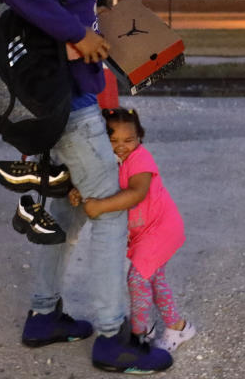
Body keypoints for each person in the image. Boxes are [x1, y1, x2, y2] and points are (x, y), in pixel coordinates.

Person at [0, 0, 171, 373]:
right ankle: (113, 337)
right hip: (70, 110)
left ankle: (43, 314)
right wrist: (78, 32)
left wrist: (93, 33)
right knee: (111, 212)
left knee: (68, 214)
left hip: (61, 104)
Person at [69, 108, 196, 353]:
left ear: (140, 138)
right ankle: (178, 327)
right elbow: (99, 182)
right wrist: (79, 190)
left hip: (160, 229)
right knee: (154, 279)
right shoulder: (111, 161)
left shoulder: (141, 159)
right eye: (113, 140)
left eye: (129, 140)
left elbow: (137, 192)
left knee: (137, 280)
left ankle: (139, 335)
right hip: (145, 232)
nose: (121, 146)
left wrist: (100, 206)